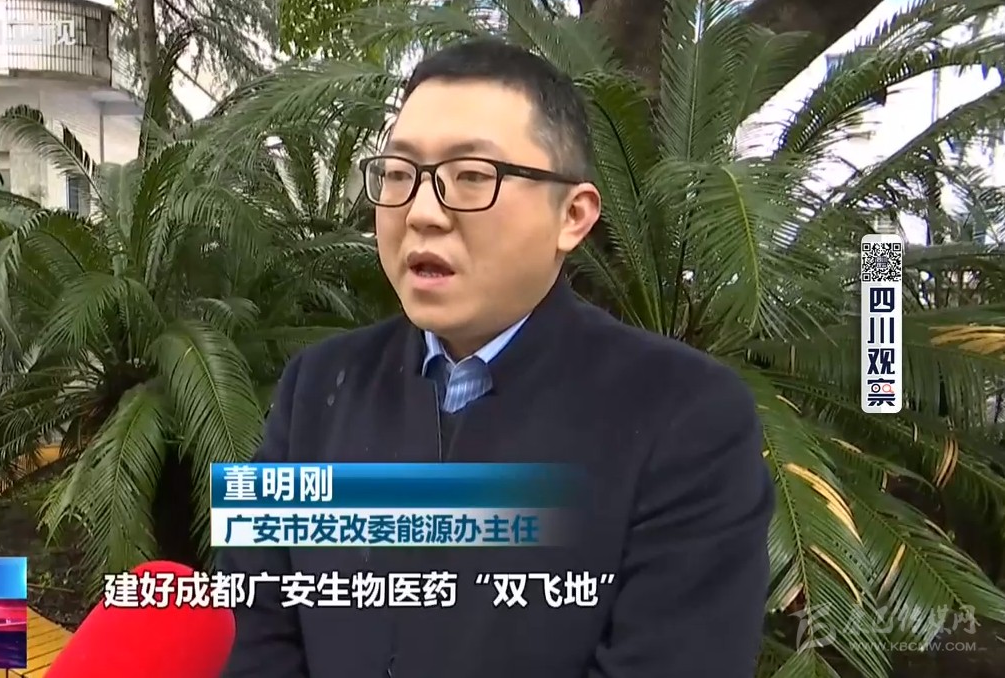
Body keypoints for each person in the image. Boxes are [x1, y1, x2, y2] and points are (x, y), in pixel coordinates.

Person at [219, 38, 773, 678]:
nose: (422, 212)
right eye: (399, 174)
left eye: (473, 177)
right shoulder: (316, 386)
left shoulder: (689, 416)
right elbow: (255, 627)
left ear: (573, 215)